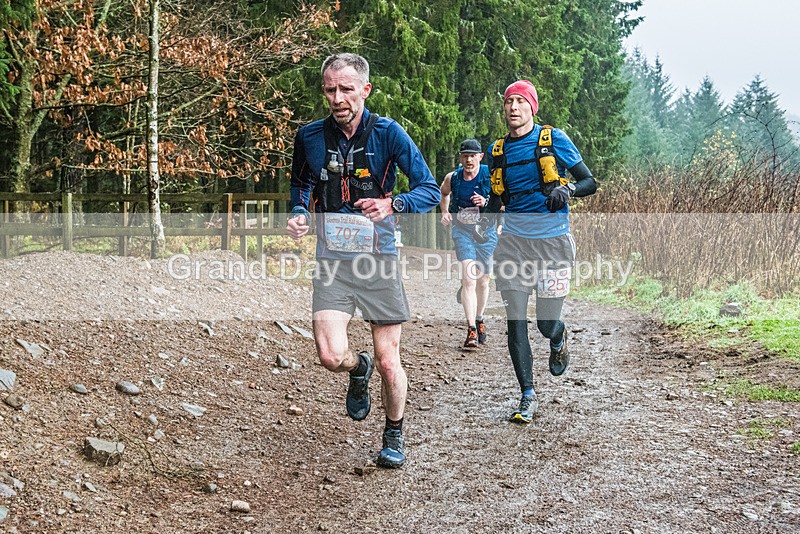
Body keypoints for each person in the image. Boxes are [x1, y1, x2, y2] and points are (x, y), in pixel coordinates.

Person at [286, 53, 440, 468]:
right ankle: (358, 368)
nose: (338, 98)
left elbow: (429, 189)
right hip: (332, 260)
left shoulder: (389, 134)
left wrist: (393, 204)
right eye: (330, 90)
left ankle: (394, 433)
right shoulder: (310, 137)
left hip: (378, 259)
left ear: (365, 90)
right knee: (331, 355)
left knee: (391, 360)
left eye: (346, 89)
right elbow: (300, 186)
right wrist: (299, 213)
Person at [485, 80, 597, 424]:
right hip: (513, 245)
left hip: (553, 243)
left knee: (545, 323)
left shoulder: (553, 140)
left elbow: (590, 182)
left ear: (532, 107)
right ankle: (527, 394)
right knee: (515, 320)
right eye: (508, 102)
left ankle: (559, 335)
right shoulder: (497, 151)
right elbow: (495, 201)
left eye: (520, 101)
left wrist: (567, 191)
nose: (513, 107)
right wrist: (481, 223)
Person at [439, 139, 498, 350]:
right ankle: (471, 328)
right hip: (462, 231)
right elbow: (443, 193)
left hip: (486, 232)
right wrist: (445, 213)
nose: (468, 159)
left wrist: (486, 202)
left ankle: (480, 318)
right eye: (465, 155)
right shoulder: (453, 177)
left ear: (480, 157)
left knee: (483, 281)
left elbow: (502, 202)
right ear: (460, 157)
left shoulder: (490, 175)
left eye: (473, 156)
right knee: (469, 279)